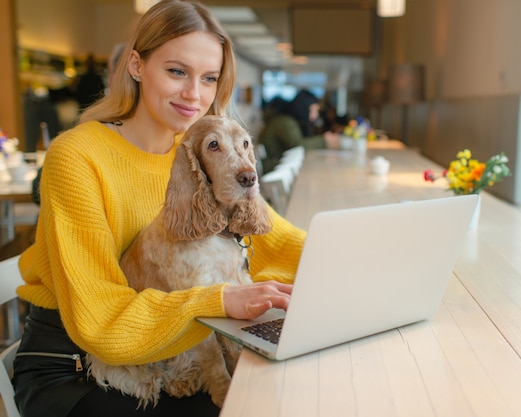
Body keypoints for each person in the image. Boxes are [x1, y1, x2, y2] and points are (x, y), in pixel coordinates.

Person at [12, 1, 304, 416]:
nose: (194, 95)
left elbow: (280, 242)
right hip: (81, 366)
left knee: (286, 392)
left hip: (176, 351)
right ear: (136, 65)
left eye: (209, 78)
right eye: (176, 71)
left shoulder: (198, 158)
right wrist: (216, 302)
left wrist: (360, 262)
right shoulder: (77, 157)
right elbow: (99, 320)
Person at [258, 89, 340, 172]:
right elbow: (298, 146)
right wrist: (324, 140)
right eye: (314, 110)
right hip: (275, 168)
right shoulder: (285, 122)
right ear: (304, 108)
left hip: (280, 167)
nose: (316, 115)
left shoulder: (289, 120)